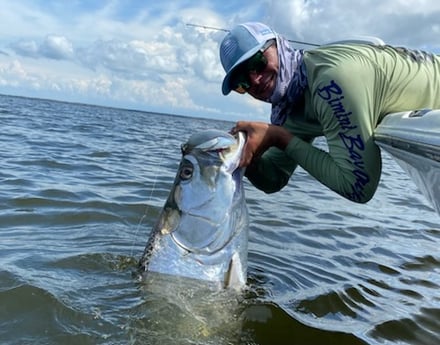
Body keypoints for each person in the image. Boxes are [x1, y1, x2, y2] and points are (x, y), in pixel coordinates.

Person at [219, 22, 440, 203]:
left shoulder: (330, 81)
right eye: (241, 82)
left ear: (278, 45)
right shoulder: (289, 104)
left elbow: (358, 187)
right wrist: (243, 155)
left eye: (257, 63)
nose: (255, 80)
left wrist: (279, 137)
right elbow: (274, 178)